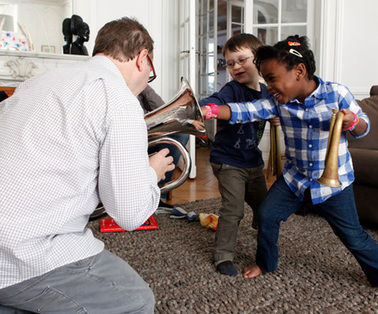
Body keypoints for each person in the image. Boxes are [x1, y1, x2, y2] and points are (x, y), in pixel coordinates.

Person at [201, 35, 378, 305]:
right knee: (266, 216)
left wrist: (352, 121)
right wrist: (210, 110)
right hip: (295, 178)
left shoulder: (337, 94)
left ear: (299, 71)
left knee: (353, 236)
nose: (269, 87)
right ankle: (266, 263)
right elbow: (246, 110)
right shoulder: (278, 100)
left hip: (334, 184)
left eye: (272, 79)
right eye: (266, 80)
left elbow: (365, 127)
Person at [0, 17, 174, 313]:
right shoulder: (118, 98)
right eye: (151, 73)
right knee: (137, 302)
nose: (147, 81)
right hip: (20, 254)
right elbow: (129, 215)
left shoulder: (38, 81)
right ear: (143, 58)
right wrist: (151, 172)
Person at [198, 33, 274, 277]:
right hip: (227, 161)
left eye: (242, 60)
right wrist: (205, 109)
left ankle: (261, 230)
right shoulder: (232, 90)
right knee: (233, 210)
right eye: (230, 63)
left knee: (265, 208)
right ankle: (223, 255)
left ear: (258, 60)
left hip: (253, 162)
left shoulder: (267, 92)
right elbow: (216, 100)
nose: (235, 67)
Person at [138, 85, 190, 205]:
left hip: (147, 137)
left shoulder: (141, 87)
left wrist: (144, 88)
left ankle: (158, 194)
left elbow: (163, 110)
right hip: (126, 139)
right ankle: (144, 196)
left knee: (181, 136)